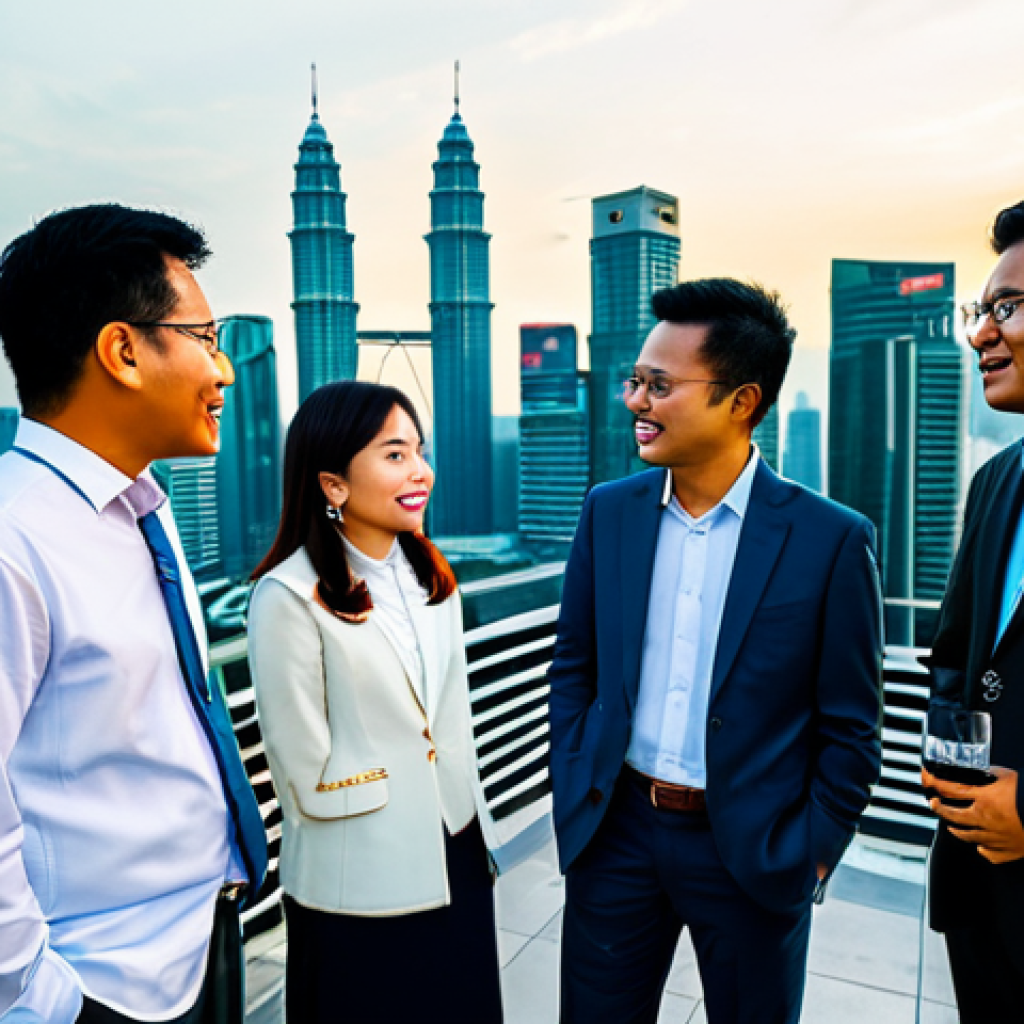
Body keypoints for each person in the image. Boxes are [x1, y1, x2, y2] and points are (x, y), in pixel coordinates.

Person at [548, 278, 884, 1024]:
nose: (635, 401)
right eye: (634, 380)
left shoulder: (829, 540)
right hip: (617, 836)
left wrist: (810, 854)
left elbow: (853, 726)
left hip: (753, 851)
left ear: (741, 401)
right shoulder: (610, 513)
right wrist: (575, 785)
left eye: (659, 385)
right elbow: (574, 666)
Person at [0, 204, 268, 1024]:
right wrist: (52, 1004)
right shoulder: (15, 540)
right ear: (122, 350)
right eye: (206, 337)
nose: (224, 371)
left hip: (194, 941)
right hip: (102, 984)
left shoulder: (141, 508)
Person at [247, 380, 503, 1024]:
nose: (420, 471)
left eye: (419, 451)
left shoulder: (431, 577)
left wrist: (463, 817)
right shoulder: (286, 596)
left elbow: (448, 720)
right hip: (358, 875)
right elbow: (302, 769)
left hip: (455, 849)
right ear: (333, 485)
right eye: (394, 455)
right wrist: (395, 791)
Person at [921, 199, 1024, 1022]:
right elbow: (958, 653)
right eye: (982, 310)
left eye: (1008, 309)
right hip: (980, 898)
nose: (980, 333)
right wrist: (955, 771)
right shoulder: (996, 480)